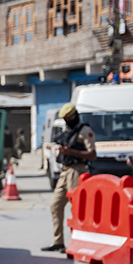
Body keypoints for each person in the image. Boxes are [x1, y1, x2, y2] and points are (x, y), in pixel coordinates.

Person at [42, 103, 96, 253]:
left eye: (68, 117)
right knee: (55, 205)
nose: (67, 120)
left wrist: (71, 151)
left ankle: (77, 241)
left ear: (74, 115)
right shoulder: (69, 131)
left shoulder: (85, 131)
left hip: (77, 171)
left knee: (76, 207)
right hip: (65, 171)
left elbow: (92, 154)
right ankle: (58, 241)